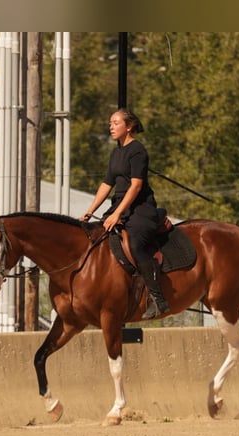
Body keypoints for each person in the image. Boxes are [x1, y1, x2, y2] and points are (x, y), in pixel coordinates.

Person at [81, 108, 170, 319]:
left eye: (115, 123)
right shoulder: (116, 152)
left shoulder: (137, 151)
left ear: (128, 126)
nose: (110, 126)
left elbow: (136, 186)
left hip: (140, 208)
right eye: (110, 123)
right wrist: (90, 210)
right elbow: (107, 184)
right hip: (119, 206)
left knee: (135, 243)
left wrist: (117, 215)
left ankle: (158, 299)